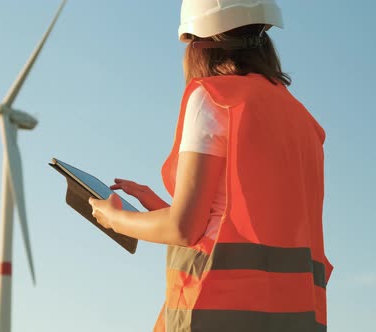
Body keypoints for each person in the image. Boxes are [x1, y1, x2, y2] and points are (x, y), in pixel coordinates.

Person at [88, 0, 333, 331]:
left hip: (216, 308)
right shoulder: (304, 122)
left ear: (199, 43)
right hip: (293, 318)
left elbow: (183, 229)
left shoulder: (214, 98)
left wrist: (115, 218)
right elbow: (245, 224)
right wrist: (158, 207)